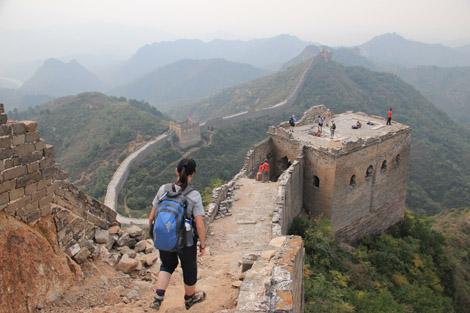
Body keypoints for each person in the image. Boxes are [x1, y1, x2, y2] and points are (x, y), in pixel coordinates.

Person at [148, 158, 207, 311]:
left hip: (165, 237)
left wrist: (157, 234)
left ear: (176, 171)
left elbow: (151, 217)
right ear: (192, 174)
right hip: (186, 241)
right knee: (189, 268)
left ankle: (157, 299)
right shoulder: (194, 195)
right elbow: (200, 225)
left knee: (167, 265)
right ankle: (190, 299)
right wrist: (203, 245)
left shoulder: (163, 189)